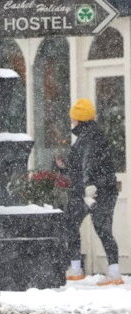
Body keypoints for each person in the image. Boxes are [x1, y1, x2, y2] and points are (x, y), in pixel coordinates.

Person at [55, 98, 123, 286]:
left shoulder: (90, 138)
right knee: (83, 225)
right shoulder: (88, 137)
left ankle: (109, 273)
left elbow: (89, 164)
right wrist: (64, 168)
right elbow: (81, 167)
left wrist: (88, 189)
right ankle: (83, 269)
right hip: (94, 190)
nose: (71, 122)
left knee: (89, 226)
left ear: (79, 119)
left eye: (73, 118)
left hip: (94, 191)